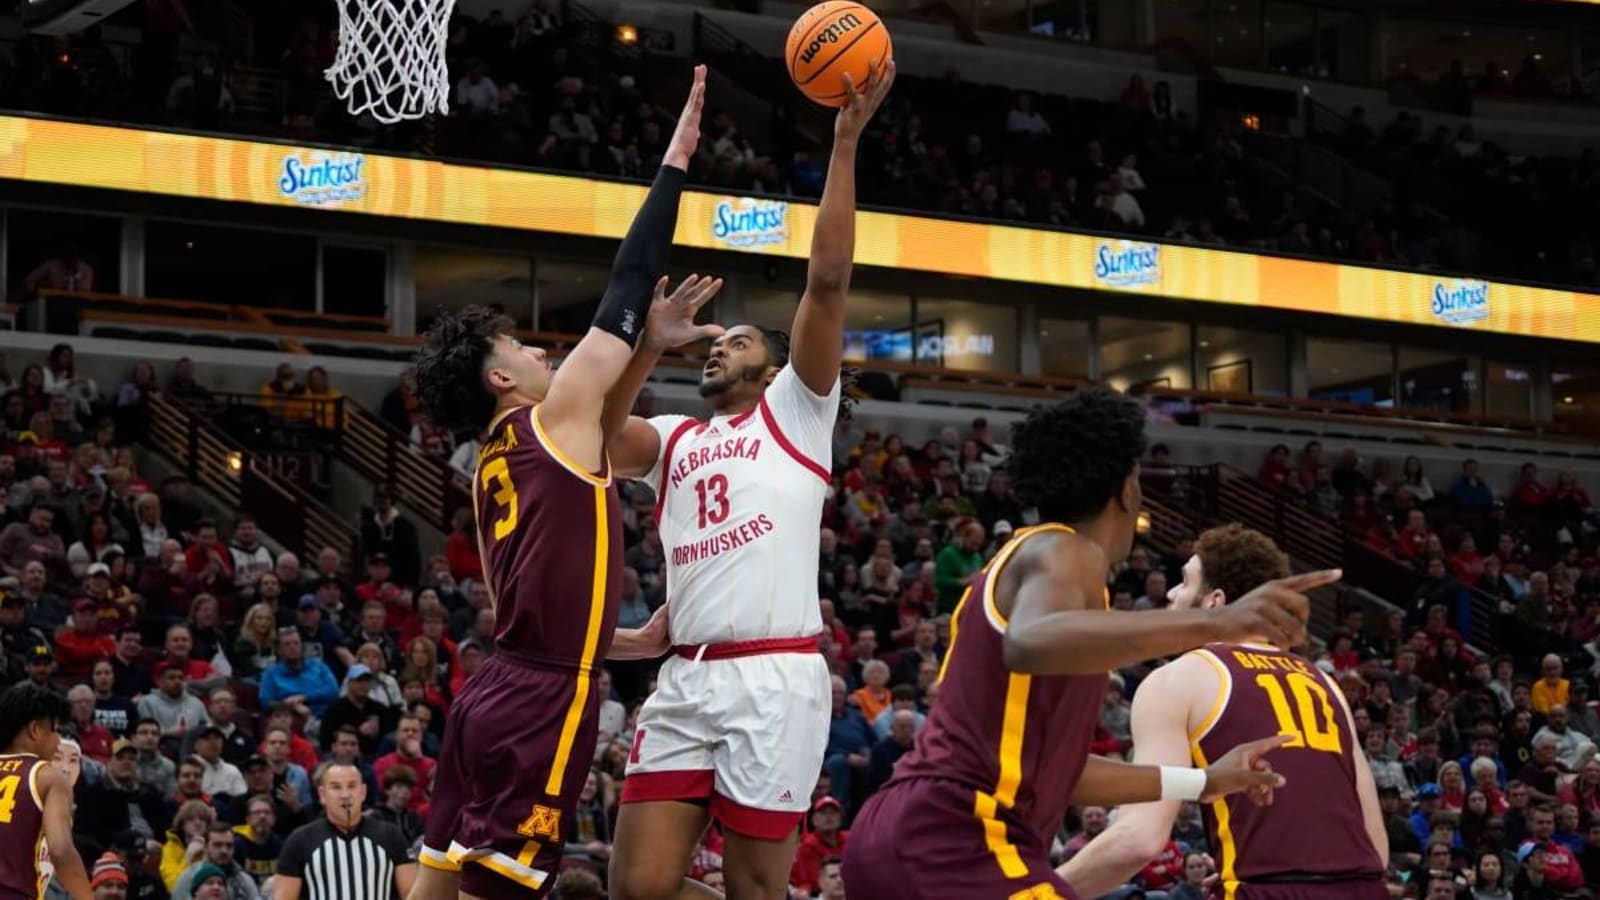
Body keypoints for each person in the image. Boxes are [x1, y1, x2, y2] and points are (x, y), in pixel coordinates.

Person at [409, 67, 714, 900]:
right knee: (502, 891)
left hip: (496, 686)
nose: (543, 353)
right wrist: (676, 161)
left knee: (438, 885)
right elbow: (626, 280)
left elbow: (533, 623)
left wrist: (625, 643)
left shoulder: (495, 463)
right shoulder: (554, 419)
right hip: (543, 699)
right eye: (521, 351)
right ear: (500, 381)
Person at [839, 387, 1334, 898]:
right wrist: (1221, 623)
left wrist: (1203, 783)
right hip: (957, 834)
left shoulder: (1031, 570)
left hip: (903, 831)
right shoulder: (1066, 548)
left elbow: (1059, 774)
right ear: (1126, 489)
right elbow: (1030, 642)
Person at [603, 61, 896, 900]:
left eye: (739, 341)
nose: (721, 345)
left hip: (774, 677)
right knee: (636, 887)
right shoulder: (675, 437)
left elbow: (829, 283)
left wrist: (842, 145)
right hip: (687, 677)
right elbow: (595, 436)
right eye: (715, 340)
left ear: (774, 372)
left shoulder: (797, 415)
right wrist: (650, 344)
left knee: (756, 888)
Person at [1058, 524, 1387, 898]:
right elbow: (1376, 845)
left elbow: (1138, 839)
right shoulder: (1325, 684)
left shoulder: (1178, 678)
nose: (1170, 592)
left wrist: (1038, 892)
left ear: (1214, 600)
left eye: (1183, 581)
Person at [0, 683, 92, 899]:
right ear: (35, 730)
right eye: (55, 730)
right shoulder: (47, 776)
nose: (59, 740)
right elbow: (61, 851)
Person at [275, 763, 414, 900]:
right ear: (322, 795)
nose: (345, 795)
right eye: (336, 787)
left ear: (363, 792)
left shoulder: (391, 836)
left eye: (352, 786)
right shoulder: (299, 840)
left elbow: (411, 895)